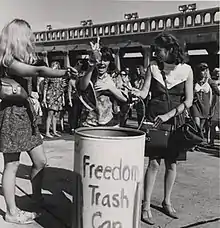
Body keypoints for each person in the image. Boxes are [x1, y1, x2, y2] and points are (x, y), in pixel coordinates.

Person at [0, 19, 75, 224]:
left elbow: (37, 67)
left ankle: (37, 198)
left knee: (40, 161)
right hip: (13, 115)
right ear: (19, 37)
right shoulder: (9, 62)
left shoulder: (17, 59)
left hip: (26, 114)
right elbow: (39, 71)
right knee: (12, 164)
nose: (31, 39)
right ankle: (12, 212)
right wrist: (64, 72)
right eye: (28, 35)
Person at [132, 33, 194, 225]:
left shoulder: (187, 70)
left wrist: (168, 115)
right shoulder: (152, 67)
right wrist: (136, 93)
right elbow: (144, 92)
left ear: (169, 50)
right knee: (154, 163)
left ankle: (167, 201)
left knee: (172, 163)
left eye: (158, 49)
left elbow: (189, 101)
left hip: (174, 121)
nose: (155, 53)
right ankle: (146, 205)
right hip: (154, 120)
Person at [78, 37, 128, 127]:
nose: (102, 63)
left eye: (105, 60)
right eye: (100, 60)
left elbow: (124, 98)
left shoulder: (116, 77)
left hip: (111, 121)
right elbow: (82, 87)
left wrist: (109, 87)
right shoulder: (90, 75)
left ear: (110, 62)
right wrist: (91, 66)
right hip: (90, 121)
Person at [191, 63, 220, 144]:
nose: (202, 73)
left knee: (201, 126)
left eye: (204, 71)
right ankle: (194, 143)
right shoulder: (194, 80)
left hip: (205, 106)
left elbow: (217, 91)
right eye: (201, 71)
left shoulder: (209, 81)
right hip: (195, 105)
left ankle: (198, 140)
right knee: (196, 124)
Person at [42, 61, 66, 138]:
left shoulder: (60, 76)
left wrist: (63, 99)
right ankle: (47, 132)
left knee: (55, 115)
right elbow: (45, 87)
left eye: (55, 65)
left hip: (58, 97)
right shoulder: (48, 75)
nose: (54, 67)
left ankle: (54, 131)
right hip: (51, 95)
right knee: (50, 114)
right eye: (53, 65)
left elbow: (62, 88)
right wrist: (44, 98)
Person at [209, 68, 220, 146]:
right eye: (216, 72)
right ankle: (211, 141)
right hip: (215, 104)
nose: (218, 74)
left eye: (219, 72)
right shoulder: (211, 82)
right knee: (213, 124)